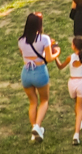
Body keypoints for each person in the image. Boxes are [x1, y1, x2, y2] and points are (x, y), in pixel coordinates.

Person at [19, 10, 58, 144]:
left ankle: (34, 131)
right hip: (40, 71)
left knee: (32, 102)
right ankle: (37, 125)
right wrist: (57, 52)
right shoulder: (44, 39)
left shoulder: (21, 41)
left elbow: (23, 54)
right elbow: (49, 58)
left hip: (26, 73)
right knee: (44, 100)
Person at [65, 36, 82, 144]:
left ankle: (79, 123)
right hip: (81, 82)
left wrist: (55, 57)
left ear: (74, 46)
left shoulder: (70, 57)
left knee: (76, 105)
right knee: (80, 107)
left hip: (72, 83)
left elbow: (60, 66)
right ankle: (76, 134)